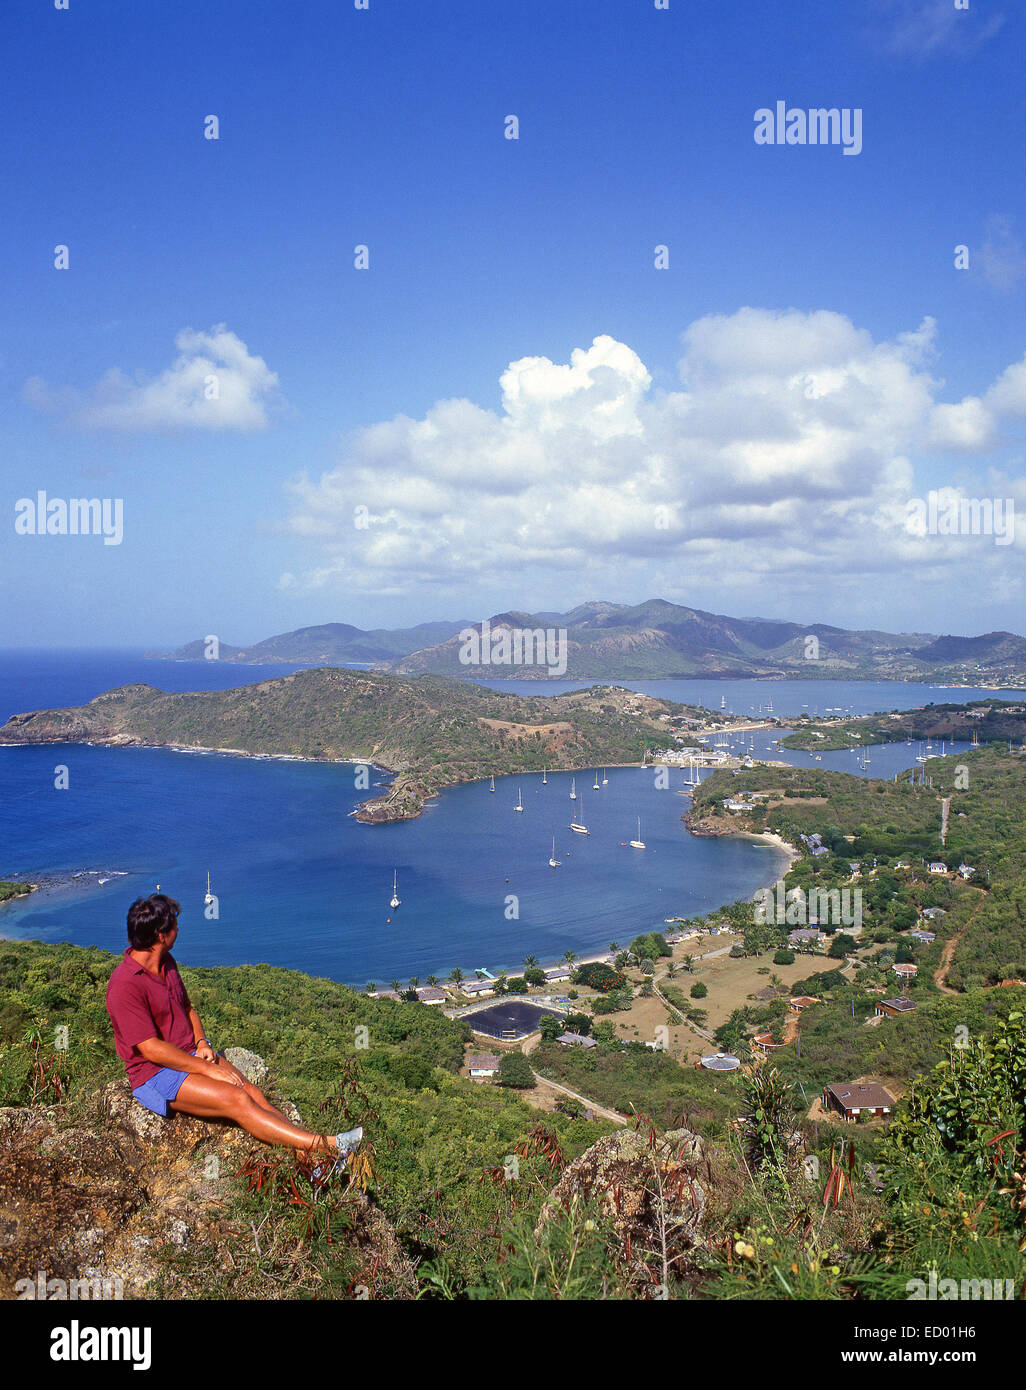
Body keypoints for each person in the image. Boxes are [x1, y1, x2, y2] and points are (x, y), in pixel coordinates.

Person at [105, 893, 361, 1165]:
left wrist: (203, 1043)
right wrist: (207, 1069)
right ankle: (330, 1145)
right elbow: (151, 1049)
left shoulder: (166, 963)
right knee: (237, 1099)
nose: (178, 930)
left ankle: (314, 1161)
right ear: (160, 936)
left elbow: (188, 1009)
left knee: (250, 1091)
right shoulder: (125, 984)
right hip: (155, 1073)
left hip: (190, 1054)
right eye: (174, 926)